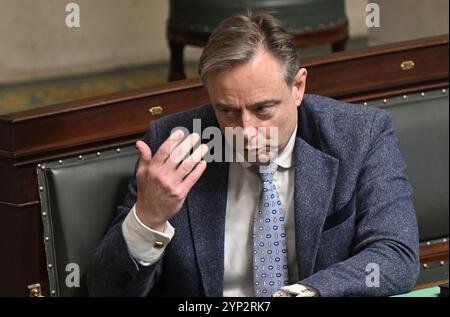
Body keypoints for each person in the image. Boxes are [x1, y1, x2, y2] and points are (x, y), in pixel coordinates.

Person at [88, 12, 419, 297]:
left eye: (263, 109)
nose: (245, 131)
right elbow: (105, 290)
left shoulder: (359, 136)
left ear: (298, 87)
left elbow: (395, 254)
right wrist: (148, 217)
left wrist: (303, 293)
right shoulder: (174, 143)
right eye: (227, 111)